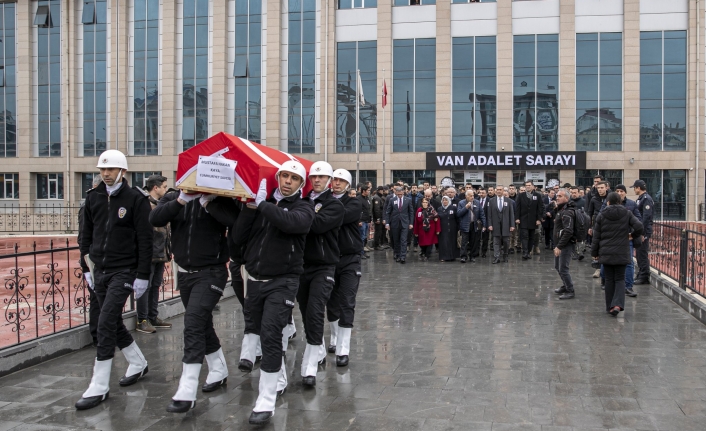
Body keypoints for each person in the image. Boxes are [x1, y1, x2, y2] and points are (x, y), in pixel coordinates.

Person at [234, 161, 315, 425]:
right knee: (260, 333)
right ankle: (277, 378)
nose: (288, 181)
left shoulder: (304, 207)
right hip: (255, 278)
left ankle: (266, 399)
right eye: (284, 176)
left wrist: (263, 205)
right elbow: (237, 237)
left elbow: (291, 224)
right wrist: (249, 208)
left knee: (270, 333)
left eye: (294, 178)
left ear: (301, 184)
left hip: (283, 280)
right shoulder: (261, 204)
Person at [150, 183, 239, 413]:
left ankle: (187, 389)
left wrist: (209, 202)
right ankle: (219, 370)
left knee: (193, 322)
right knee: (202, 323)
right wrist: (181, 200)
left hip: (212, 272)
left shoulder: (220, 198)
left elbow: (236, 222)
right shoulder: (173, 197)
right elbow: (155, 218)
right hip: (185, 273)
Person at [75, 150, 153, 410]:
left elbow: (145, 239)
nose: (105, 174)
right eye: (102, 170)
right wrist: (84, 265)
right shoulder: (93, 197)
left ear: (123, 172)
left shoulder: (135, 199)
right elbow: (85, 234)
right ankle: (138, 363)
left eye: (110, 170)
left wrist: (142, 275)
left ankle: (99, 385)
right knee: (111, 320)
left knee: (105, 320)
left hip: (125, 270)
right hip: (99, 269)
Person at [298, 161, 344, 386]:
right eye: (313, 177)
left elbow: (314, 225)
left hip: (324, 265)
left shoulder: (334, 205)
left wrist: (297, 213)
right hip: (301, 266)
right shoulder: (303, 200)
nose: (316, 180)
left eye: (322, 177)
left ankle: (309, 366)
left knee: (316, 310)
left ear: (329, 181)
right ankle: (318, 348)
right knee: (306, 312)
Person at [327, 168, 363, 368]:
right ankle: (334, 336)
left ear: (348, 184)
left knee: (347, 300)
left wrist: (324, 212)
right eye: (335, 180)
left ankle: (343, 348)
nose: (337, 183)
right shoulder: (325, 200)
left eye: (341, 180)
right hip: (329, 258)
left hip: (350, 258)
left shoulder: (354, 202)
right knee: (331, 301)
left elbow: (338, 218)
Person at [591, 192, 644, 316]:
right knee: (620, 279)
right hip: (622, 251)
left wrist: (594, 253)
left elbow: (596, 236)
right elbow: (639, 227)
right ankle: (618, 304)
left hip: (606, 252)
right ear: (620, 202)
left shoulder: (601, 215)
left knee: (609, 279)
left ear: (608, 202)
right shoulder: (627, 213)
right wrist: (632, 235)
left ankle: (610, 306)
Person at [136, 175, 172, 334]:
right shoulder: (144, 203)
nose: (166, 189)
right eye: (164, 187)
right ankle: (142, 320)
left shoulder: (160, 204)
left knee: (156, 285)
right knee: (145, 286)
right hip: (148, 253)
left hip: (161, 252)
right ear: (155, 188)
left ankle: (152, 316)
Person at [77, 174, 102, 347]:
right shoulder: (89, 204)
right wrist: (86, 266)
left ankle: (104, 332)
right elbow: (84, 237)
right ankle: (97, 335)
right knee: (96, 299)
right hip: (92, 258)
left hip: (103, 256)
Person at [552, 188, 576, 300]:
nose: (557, 198)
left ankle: (570, 290)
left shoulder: (567, 212)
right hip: (559, 244)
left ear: (566, 198)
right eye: (557, 196)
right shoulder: (561, 210)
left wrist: (559, 246)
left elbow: (568, 231)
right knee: (558, 266)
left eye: (560, 196)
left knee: (563, 268)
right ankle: (565, 285)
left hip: (565, 245)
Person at [631, 180, 654, 285]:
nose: (634, 190)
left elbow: (646, 217)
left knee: (642, 254)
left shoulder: (646, 199)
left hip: (643, 231)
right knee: (639, 254)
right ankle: (641, 274)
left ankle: (644, 276)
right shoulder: (641, 199)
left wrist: (642, 233)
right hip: (641, 230)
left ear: (638, 188)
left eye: (635, 188)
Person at [384, 186, 414, 264]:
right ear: (396, 193)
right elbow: (388, 212)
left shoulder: (408, 200)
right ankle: (397, 255)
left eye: (401, 194)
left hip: (405, 223)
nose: (400, 195)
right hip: (395, 222)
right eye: (398, 194)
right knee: (396, 240)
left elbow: (411, 212)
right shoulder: (392, 200)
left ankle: (403, 256)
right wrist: (387, 223)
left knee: (403, 240)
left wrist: (411, 223)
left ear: (403, 192)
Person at [486, 185, 515, 264]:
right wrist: (490, 224)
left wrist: (512, 225)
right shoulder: (491, 201)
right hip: (495, 224)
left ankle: (505, 256)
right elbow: (489, 214)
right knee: (496, 241)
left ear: (503, 191)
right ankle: (496, 257)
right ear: (495, 191)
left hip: (506, 224)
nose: (499, 191)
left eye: (500, 190)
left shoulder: (508, 201)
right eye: (497, 190)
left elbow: (511, 214)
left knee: (506, 241)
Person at [515, 180, 543, 260]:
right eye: (526, 185)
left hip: (533, 220)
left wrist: (539, 219)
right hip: (523, 219)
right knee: (524, 236)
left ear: (533, 186)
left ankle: (529, 251)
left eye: (529, 185)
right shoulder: (521, 195)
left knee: (531, 237)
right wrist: (517, 218)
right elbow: (517, 208)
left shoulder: (538, 195)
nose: (527, 186)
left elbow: (540, 208)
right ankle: (525, 252)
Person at [588, 181, 610, 278]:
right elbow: (590, 213)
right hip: (597, 225)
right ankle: (598, 268)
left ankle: (606, 268)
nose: (600, 189)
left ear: (606, 188)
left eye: (602, 187)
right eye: (598, 188)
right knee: (597, 246)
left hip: (608, 225)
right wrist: (589, 226)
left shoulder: (611, 197)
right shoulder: (594, 199)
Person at [457, 189, 486, 263]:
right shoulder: (461, 203)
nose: (472, 197)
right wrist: (466, 207)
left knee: (474, 241)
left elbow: (482, 214)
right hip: (465, 225)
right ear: (466, 196)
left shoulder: (477, 202)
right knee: (464, 242)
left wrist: (484, 224)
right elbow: (459, 214)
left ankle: (472, 256)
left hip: (474, 225)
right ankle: (463, 256)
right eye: (470, 196)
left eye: (473, 195)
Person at [437, 196, 459, 262]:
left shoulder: (453, 208)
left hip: (452, 228)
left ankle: (452, 256)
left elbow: (457, 218)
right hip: (443, 228)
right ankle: (443, 256)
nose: (445, 201)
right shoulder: (439, 209)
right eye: (443, 200)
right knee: (443, 242)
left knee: (452, 242)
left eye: (446, 200)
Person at [478, 188, 491, 258]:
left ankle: (484, 252)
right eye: (480, 193)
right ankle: (476, 251)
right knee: (477, 237)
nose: (481, 194)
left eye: (483, 193)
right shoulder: (476, 200)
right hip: (477, 222)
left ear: (486, 193)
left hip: (486, 222)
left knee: (485, 238)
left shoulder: (490, 200)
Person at [358, 185, 371, 258]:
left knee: (365, 237)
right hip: (362, 221)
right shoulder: (359, 199)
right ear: (363, 191)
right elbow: (358, 210)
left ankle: (362, 251)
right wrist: (359, 220)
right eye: (368, 190)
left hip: (366, 220)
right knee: (361, 237)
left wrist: (369, 220)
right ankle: (360, 252)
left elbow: (368, 210)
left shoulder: (367, 198)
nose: (369, 192)